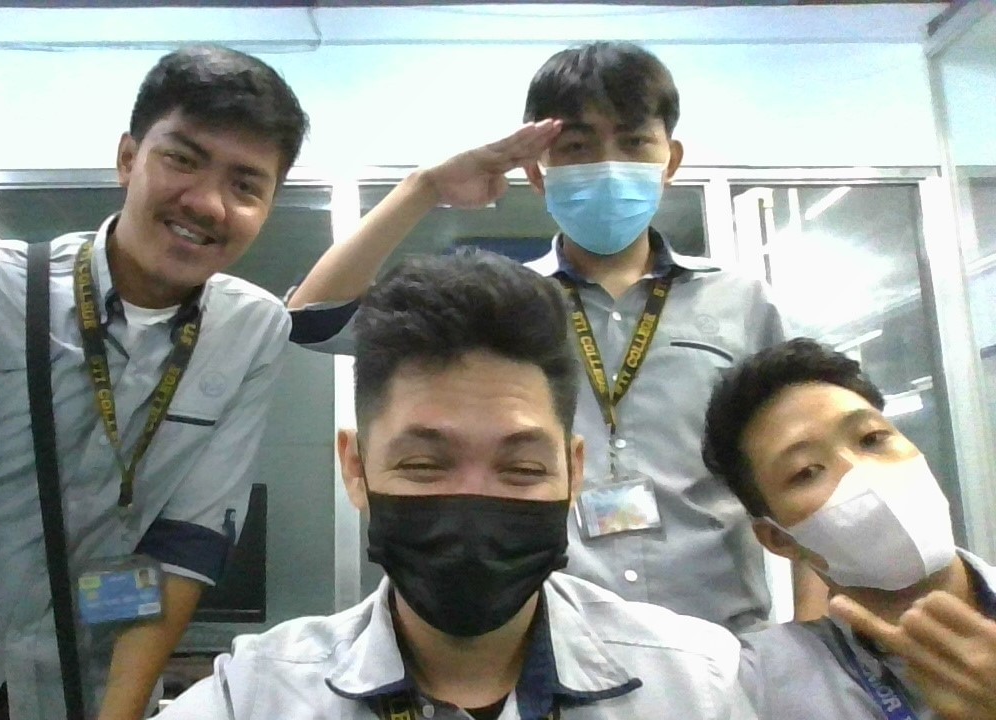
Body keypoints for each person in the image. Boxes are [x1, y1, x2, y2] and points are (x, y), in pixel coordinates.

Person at [0, 45, 308, 720]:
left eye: (245, 185)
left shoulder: (250, 331)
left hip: (91, 693)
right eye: (182, 159)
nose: (207, 202)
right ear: (128, 158)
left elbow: (183, 546)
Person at [286, 41, 810, 631]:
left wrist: (816, 632)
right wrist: (424, 187)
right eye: (577, 147)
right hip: (552, 638)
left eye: (633, 142)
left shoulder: (741, 302)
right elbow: (312, 321)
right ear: (537, 170)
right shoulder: (498, 305)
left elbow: (806, 461)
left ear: (671, 160)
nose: (608, 165)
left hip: (724, 636)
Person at [159, 251, 756, 720]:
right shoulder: (255, 698)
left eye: (522, 470)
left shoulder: (700, 687)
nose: (474, 502)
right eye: (424, 465)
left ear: (574, 472)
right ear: (356, 468)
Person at [702, 337, 996, 719]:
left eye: (872, 439)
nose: (862, 474)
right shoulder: (764, 690)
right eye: (806, 471)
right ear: (778, 539)